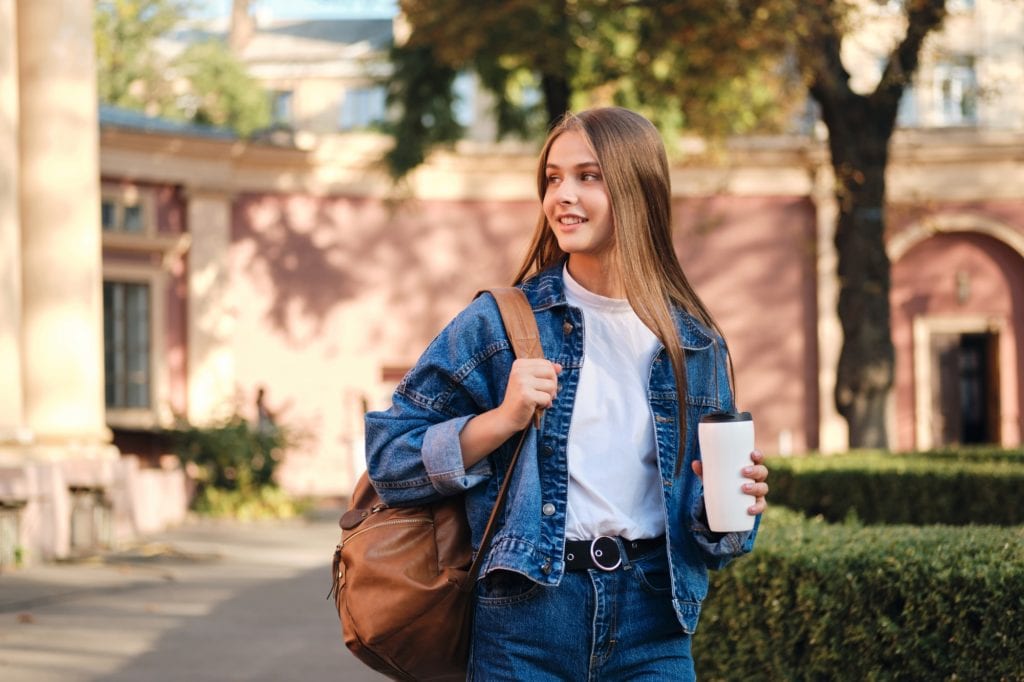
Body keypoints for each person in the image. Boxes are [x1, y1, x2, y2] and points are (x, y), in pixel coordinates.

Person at [365, 107, 769, 681]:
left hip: (653, 622)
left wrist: (733, 508)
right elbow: (389, 457)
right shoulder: (500, 326)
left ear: (637, 189)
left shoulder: (693, 344)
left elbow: (716, 540)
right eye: (553, 178)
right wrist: (500, 421)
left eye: (588, 176)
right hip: (526, 619)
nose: (563, 196)